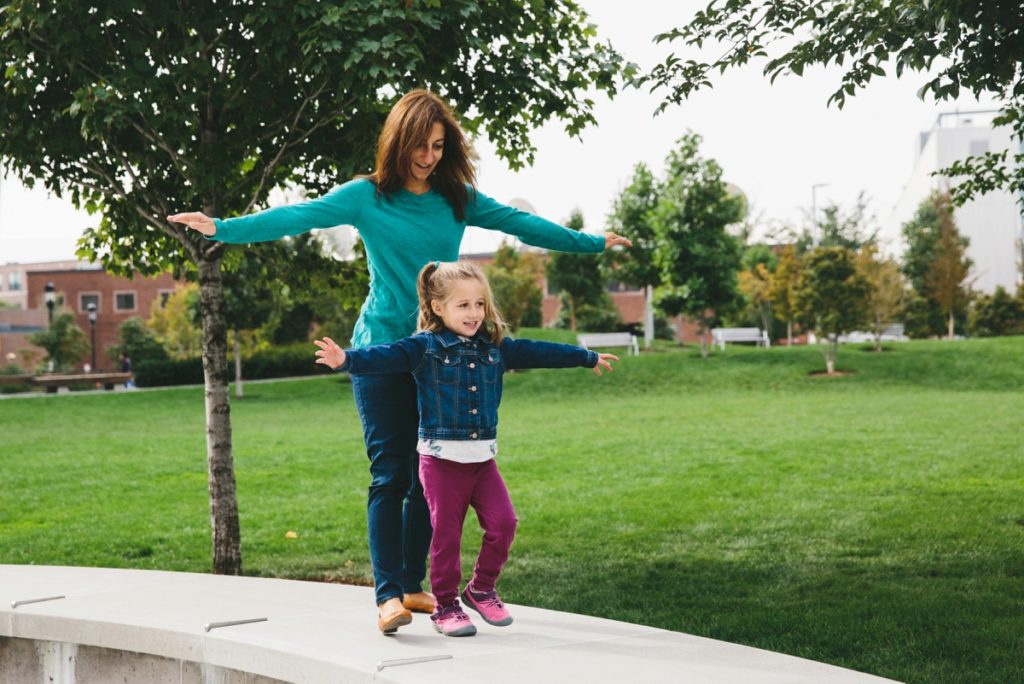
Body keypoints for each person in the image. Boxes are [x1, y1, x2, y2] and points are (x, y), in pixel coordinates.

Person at [167, 89, 632, 635]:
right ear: (399, 141)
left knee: (423, 475)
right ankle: (387, 595)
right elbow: (298, 215)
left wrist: (591, 243)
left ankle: (414, 586)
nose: (429, 156)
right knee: (390, 472)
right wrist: (222, 227)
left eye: (438, 146)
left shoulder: (455, 197)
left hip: (438, 360)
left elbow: (520, 225)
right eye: (420, 145)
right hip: (383, 351)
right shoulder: (367, 196)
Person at [314, 261, 617, 636]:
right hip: (441, 462)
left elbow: (538, 351)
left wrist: (585, 358)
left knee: (504, 524)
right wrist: (347, 359)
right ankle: (445, 606)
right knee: (446, 536)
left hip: (482, 462)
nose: (474, 313)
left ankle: (481, 588)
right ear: (438, 308)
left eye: (479, 304)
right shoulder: (423, 348)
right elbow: (385, 355)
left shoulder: (495, 349)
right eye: (464, 306)